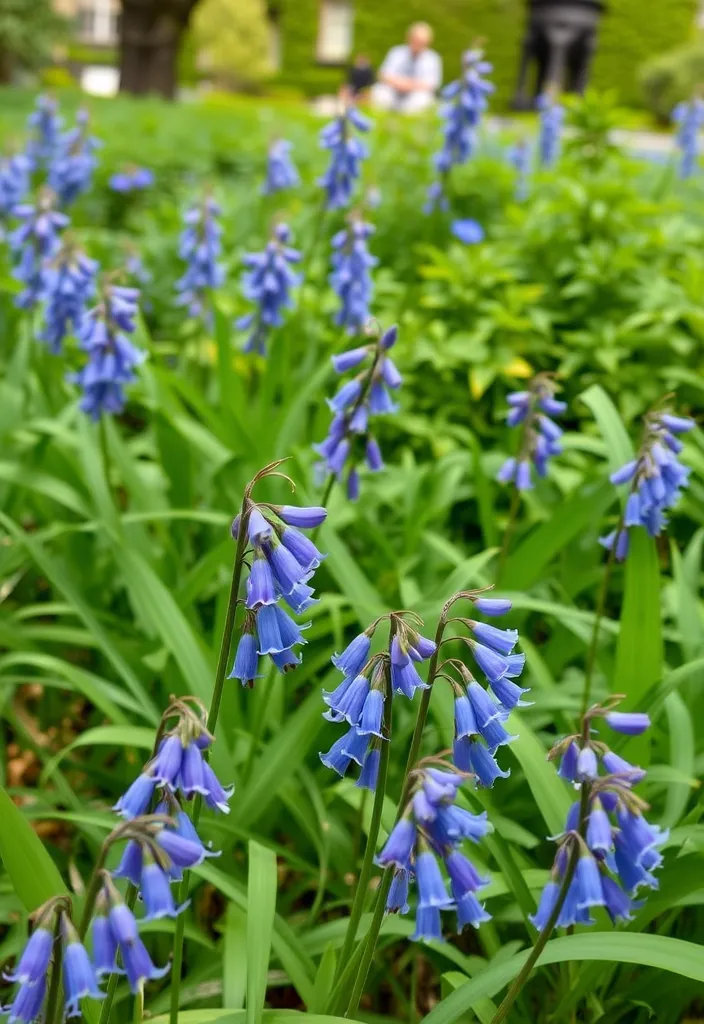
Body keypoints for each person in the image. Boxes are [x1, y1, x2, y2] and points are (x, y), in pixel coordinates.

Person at [371, 22, 442, 114]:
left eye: (422, 42)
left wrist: (409, 85)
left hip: (415, 94)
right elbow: (383, 74)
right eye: (416, 40)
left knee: (423, 99)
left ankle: (405, 115)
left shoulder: (433, 58)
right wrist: (398, 83)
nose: (418, 45)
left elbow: (433, 84)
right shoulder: (396, 52)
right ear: (409, 38)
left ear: (428, 43)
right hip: (393, 91)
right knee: (380, 92)